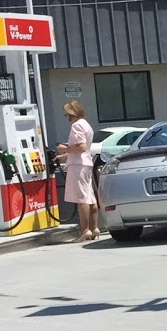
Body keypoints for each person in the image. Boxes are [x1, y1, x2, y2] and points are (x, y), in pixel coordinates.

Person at [57, 100, 98, 242]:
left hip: (78, 166)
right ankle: (94, 228)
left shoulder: (77, 125)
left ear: (71, 113)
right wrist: (64, 156)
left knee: (82, 199)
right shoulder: (87, 125)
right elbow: (83, 149)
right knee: (90, 197)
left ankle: (84, 230)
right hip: (86, 163)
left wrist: (65, 149)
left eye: (66, 114)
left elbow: (81, 147)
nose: (66, 117)